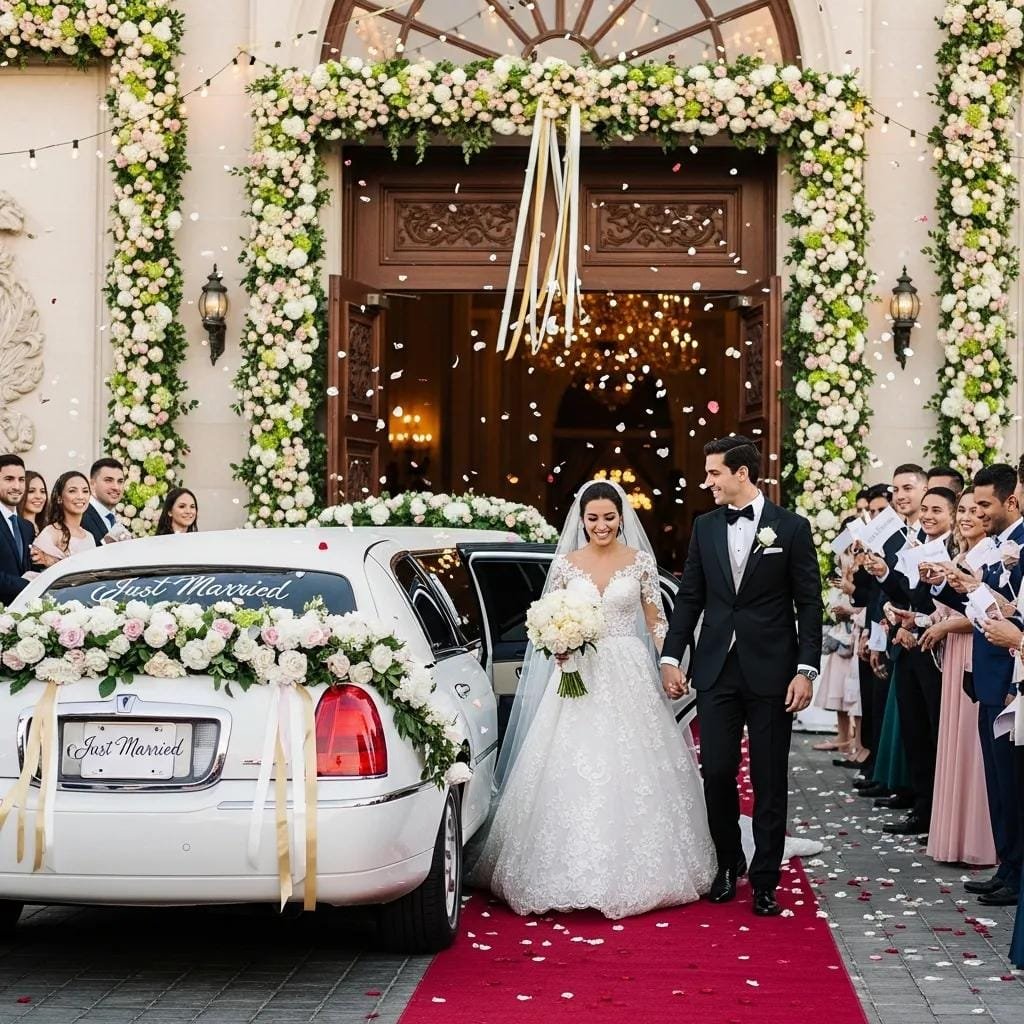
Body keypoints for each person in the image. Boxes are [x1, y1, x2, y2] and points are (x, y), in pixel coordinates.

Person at [469, 481, 717, 919]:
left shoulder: (639, 561)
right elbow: (548, 619)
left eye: (609, 517)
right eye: (593, 518)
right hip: (578, 673)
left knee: (634, 762)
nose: (601, 526)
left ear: (621, 517)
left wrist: (670, 663)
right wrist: (557, 644)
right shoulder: (566, 565)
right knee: (569, 762)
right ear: (581, 520)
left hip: (627, 670)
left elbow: (656, 621)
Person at [660, 436, 824, 917]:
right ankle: (728, 862)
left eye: (714, 473)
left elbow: (809, 604)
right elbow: (690, 597)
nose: (707, 481)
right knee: (716, 771)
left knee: (770, 777)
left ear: (742, 474)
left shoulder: (791, 528)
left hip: (774, 671)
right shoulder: (705, 526)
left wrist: (805, 670)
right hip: (716, 670)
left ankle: (767, 880)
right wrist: (671, 657)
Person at [925, 463, 1023, 909]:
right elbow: (982, 603)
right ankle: (1007, 867)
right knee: (998, 782)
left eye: (984, 504)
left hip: (1009, 674)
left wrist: (981, 590)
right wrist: (952, 585)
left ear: (1009, 501)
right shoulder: (1000, 545)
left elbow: (1011, 611)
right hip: (988, 675)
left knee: (1012, 784)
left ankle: (1014, 871)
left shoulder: (1018, 546)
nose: (978, 513)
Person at [866, 486, 957, 835]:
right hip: (909, 648)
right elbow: (907, 594)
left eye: (937, 510)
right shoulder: (916, 545)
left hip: (937, 649)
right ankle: (921, 808)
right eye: (925, 510)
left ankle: (937, 813)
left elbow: (943, 603)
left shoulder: (953, 550)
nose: (928, 516)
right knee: (914, 729)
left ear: (952, 515)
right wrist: (884, 575)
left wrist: (914, 621)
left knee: (935, 731)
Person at [920, 488, 995, 866]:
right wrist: (923, 619)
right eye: (962, 510)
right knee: (953, 742)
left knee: (972, 747)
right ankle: (954, 837)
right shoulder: (960, 557)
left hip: (975, 651)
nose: (967, 516)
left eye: (975, 509)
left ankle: (979, 841)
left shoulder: (991, 555)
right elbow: (951, 608)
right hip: (954, 654)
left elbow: (989, 612)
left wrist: (947, 625)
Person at [33, 471, 98, 563]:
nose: (80, 496)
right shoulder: (51, 532)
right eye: (72, 491)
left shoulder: (89, 536)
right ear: (59, 498)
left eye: (85, 491)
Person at [0, 454, 33, 606]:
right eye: (9, 479)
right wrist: (27, 584)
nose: (17, 486)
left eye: (21, 480)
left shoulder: (27, 527)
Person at [82, 457, 128, 545]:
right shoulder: (82, 516)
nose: (116, 487)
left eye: (120, 481)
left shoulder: (113, 517)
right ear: (92, 484)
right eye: (108, 480)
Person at [17, 470, 47, 536]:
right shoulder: (12, 528)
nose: (38, 496)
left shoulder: (48, 528)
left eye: (42, 491)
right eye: (31, 491)